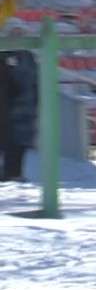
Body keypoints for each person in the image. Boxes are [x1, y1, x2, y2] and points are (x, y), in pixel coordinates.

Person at [1, 19, 38, 182]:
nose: (18, 35)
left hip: (27, 106)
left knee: (22, 143)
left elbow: (35, 80)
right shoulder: (3, 54)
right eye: (15, 32)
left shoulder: (29, 56)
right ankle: (9, 174)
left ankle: (17, 172)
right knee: (9, 142)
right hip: (8, 107)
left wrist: (36, 100)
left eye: (20, 32)